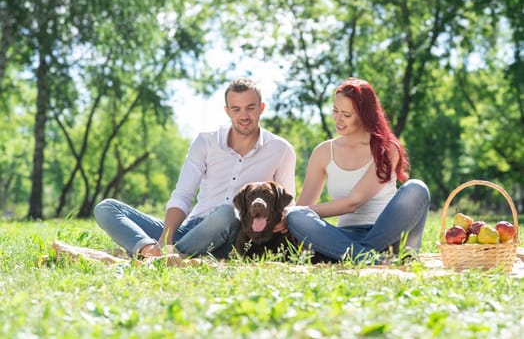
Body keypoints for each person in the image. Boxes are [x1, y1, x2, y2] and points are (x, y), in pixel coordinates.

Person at [94, 78, 296, 259]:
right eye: (236, 109)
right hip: (191, 230)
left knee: (227, 212)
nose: (244, 115)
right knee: (106, 207)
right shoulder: (206, 141)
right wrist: (166, 237)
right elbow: (183, 195)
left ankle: (170, 256)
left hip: (235, 231)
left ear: (261, 108)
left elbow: (288, 204)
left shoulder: (281, 149)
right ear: (227, 111)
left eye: (250, 108)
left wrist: (282, 219)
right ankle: (151, 250)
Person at [284, 77, 430, 263]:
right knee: (296, 216)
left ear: (364, 115)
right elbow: (303, 208)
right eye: (335, 111)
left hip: (387, 235)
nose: (338, 119)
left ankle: (356, 256)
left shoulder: (387, 149)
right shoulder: (323, 152)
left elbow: (353, 202)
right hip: (344, 238)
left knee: (417, 188)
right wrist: (291, 217)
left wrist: (302, 213)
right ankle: (371, 259)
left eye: (346, 114)